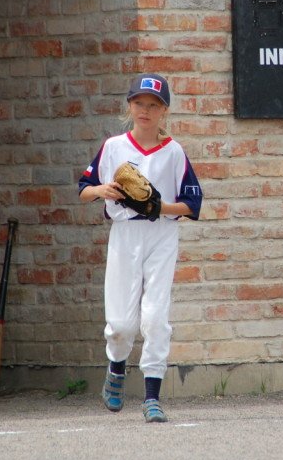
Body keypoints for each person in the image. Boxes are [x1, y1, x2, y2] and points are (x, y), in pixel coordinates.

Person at [78, 73, 202, 423]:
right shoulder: (114, 146)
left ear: (164, 112)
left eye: (153, 105)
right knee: (120, 323)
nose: (145, 110)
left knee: (155, 318)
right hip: (124, 233)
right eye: (139, 103)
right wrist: (102, 190)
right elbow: (84, 189)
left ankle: (152, 397)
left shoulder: (174, 152)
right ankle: (116, 367)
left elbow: (192, 204)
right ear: (129, 106)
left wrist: (160, 207)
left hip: (161, 234)